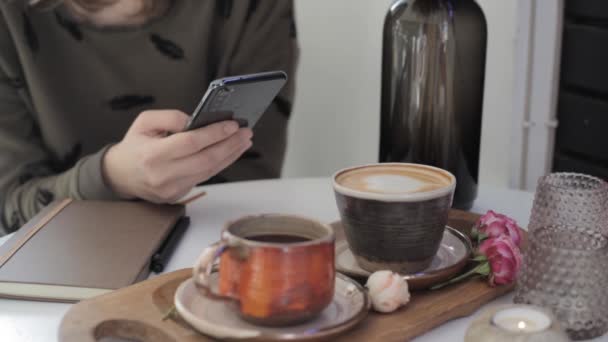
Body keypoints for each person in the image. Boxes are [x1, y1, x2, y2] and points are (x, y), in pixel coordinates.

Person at [0, 0, 299, 234]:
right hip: (56, 265)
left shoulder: (253, 7)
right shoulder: (9, 18)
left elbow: (250, 182)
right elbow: (9, 210)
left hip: (208, 254)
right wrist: (110, 178)